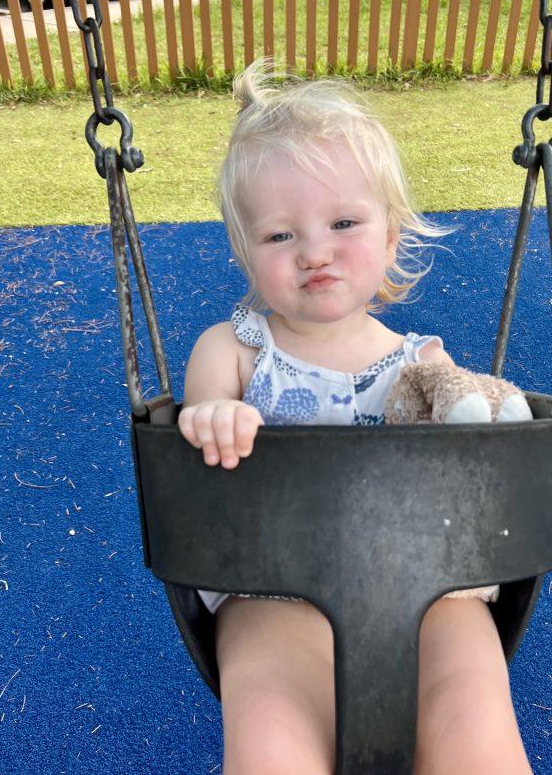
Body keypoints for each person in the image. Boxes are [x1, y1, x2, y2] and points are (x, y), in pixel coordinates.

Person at [178, 62, 532, 774]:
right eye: (279, 236)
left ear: (391, 236)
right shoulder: (235, 350)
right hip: (275, 585)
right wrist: (215, 416)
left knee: (475, 726)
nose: (314, 251)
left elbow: (474, 447)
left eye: (343, 223)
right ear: (245, 251)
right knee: (272, 741)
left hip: (429, 590)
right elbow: (200, 413)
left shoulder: (420, 361)